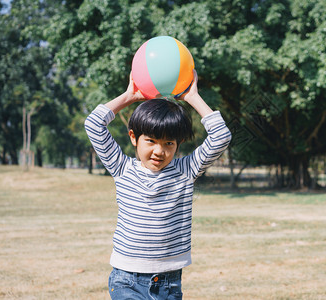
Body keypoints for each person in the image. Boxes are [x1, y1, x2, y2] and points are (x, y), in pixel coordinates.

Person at [84, 70, 231, 299]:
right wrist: (129, 96)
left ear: (178, 143)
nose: (159, 151)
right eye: (150, 141)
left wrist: (192, 97)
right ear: (134, 137)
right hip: (126, 279)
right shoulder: (122, 168)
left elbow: (221, 136)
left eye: (168, 143)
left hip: (168, 281)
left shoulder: (185, 171)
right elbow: (94, 124)